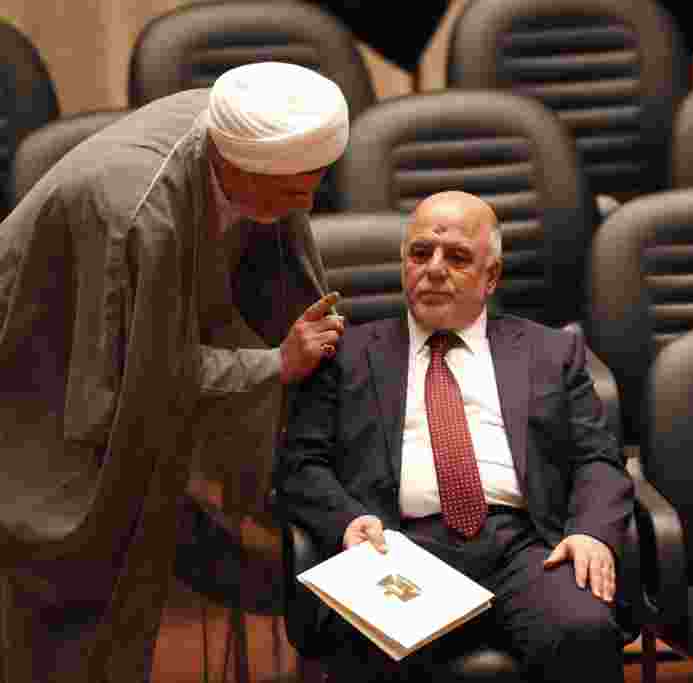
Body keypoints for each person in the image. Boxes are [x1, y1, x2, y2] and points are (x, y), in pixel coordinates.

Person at [0, 61, 347, 682]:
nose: (308, 204)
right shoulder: (138, 213)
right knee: (76, 594)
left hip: (104, 346)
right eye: (296, 191)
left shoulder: (231, 133)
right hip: (42, 383)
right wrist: (275, 364)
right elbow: (142, 381)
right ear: (244, 169)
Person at [276, 190, 635, 682]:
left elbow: (598, 458)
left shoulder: (551, 352)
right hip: (399, 547)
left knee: (584, 630)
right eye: (420, 253)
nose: (435, 268)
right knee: (373, 645)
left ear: (492, 277)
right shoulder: (346, 356)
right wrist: (348, 520)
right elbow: (301, 466)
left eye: (458, 257)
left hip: (524, 546)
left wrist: (591, 531)